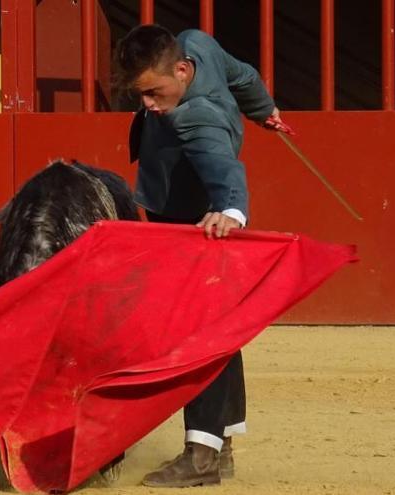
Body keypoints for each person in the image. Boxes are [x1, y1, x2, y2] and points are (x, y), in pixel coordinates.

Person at [114, 24, 292, 488]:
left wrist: (230, 208)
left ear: (181, 69)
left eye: (154, 92)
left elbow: (222, 164)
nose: (149, 106)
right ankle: (221, 446)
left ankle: (202, 457)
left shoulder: (194, 116)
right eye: (141, 96)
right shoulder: (198, 44)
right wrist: (265, 110)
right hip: (196, 214)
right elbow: (245, 75)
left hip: (196, 223)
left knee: (198, 331)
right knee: (220, 327)